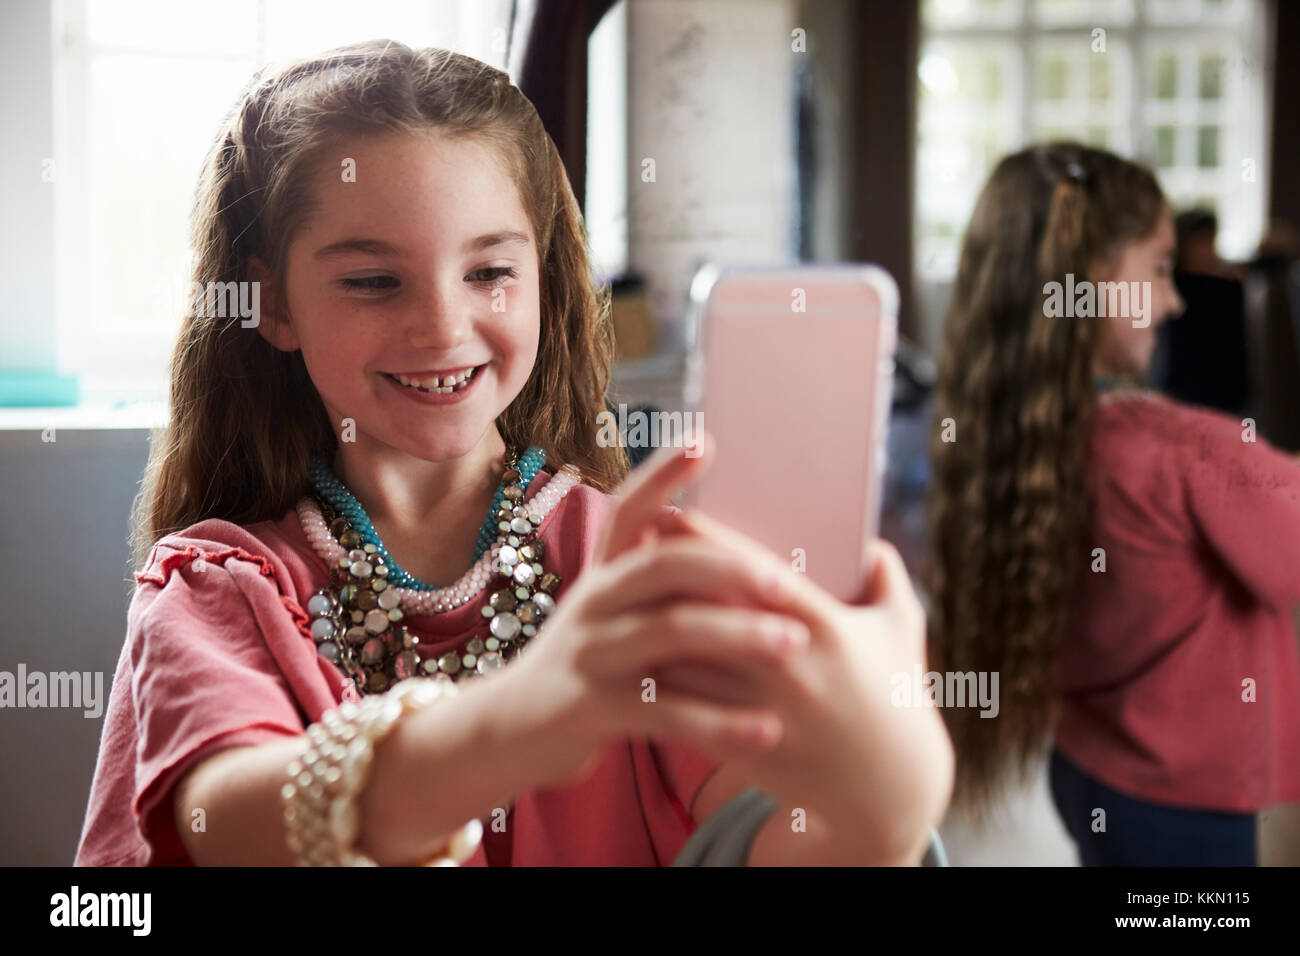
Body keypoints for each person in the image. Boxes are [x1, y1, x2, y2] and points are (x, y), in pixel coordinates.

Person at [74, 41, 952, 867]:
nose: (443, 328)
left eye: (490, 272)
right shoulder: (216, 588)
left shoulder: (639, 568)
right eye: (374, 281)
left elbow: (775, 839)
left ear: (544, 277)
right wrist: (519, 721)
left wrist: (891, 795)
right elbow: (227, 825)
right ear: (272, 304)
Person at [926, 142, 1300, 865]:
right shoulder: (1182, 448)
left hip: (1089, 771)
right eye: (1159, 268)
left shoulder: (1009, 437)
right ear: (1090, 276)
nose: (1175, 299)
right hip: (1185, 801)